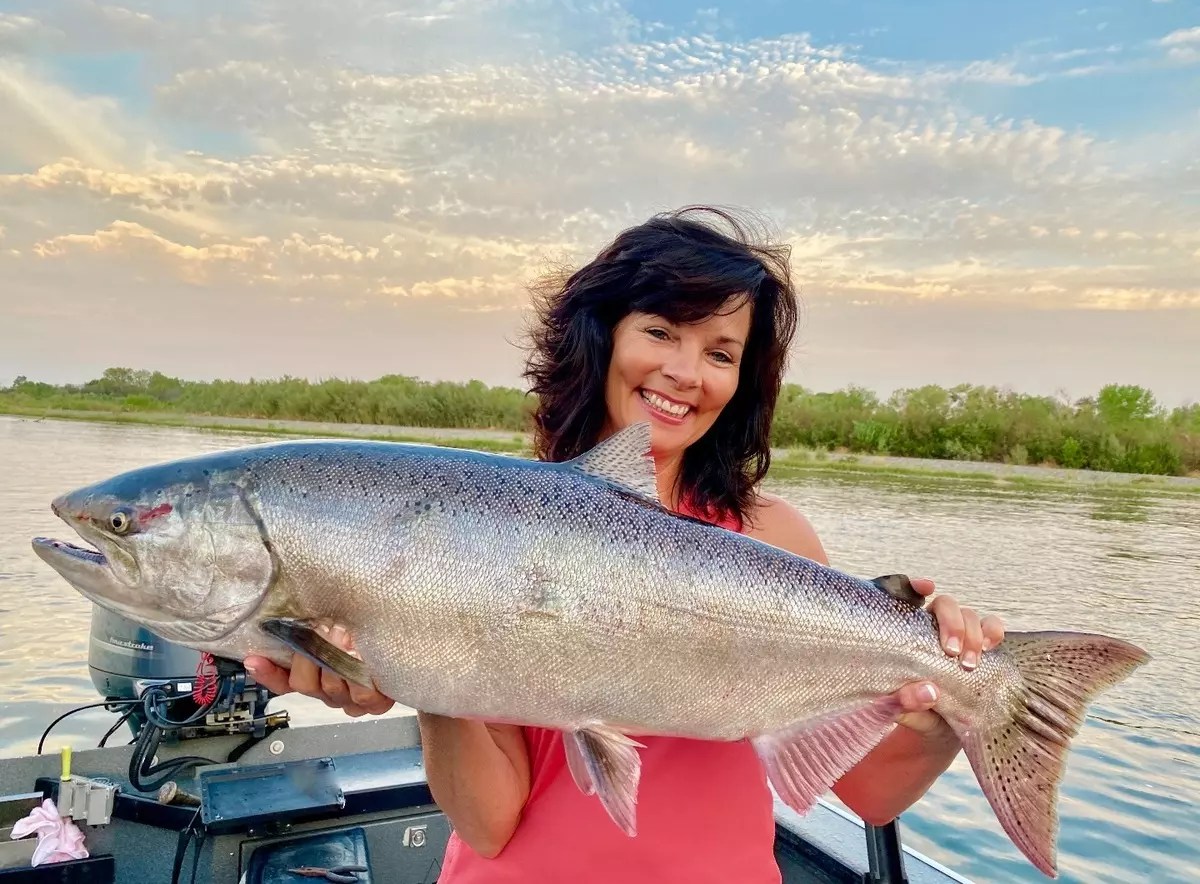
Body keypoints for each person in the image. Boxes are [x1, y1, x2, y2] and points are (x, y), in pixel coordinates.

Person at [244, 206, 1006, 882]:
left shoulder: (777, 537)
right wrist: (417, 670)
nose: (683, 371)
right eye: (660, 331)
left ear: (744, 379)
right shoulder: (478, 525)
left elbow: (869, 796)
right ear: (603, 334)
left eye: (719, 352)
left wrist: (952, 708)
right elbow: (488, 824)